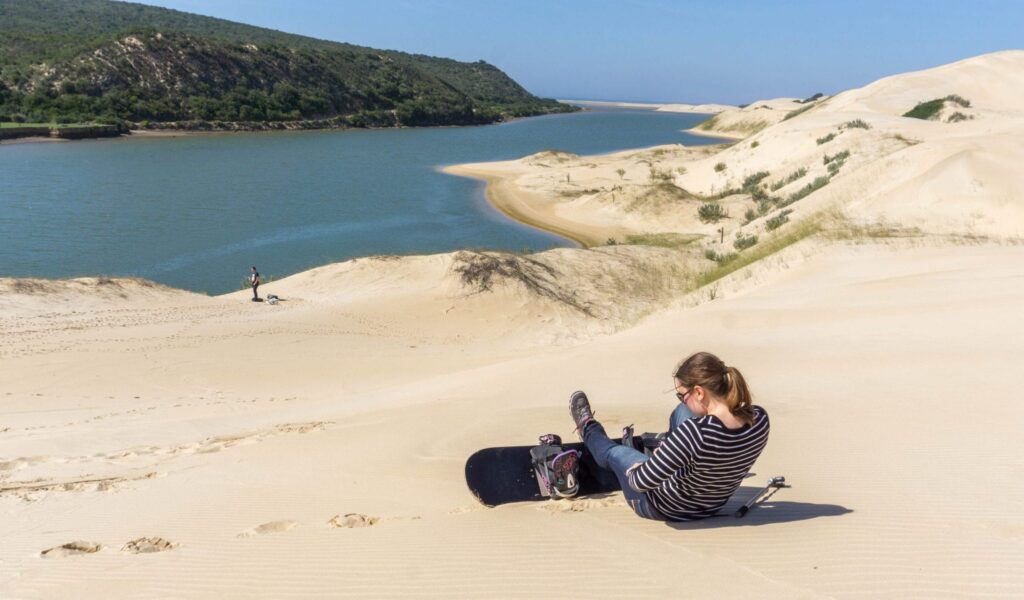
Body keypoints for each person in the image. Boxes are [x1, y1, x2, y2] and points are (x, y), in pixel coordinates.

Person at [569, 351, 770, 521]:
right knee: (682, 412)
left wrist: (647, 464)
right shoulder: (759, 419)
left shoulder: (694, 433)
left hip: (661, 507)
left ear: (699, 392)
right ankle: (673, 451)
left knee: (616, 452)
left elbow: (639, 483)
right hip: (713, 504)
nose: (682, 400)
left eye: (683, 395)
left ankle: (587, 427)